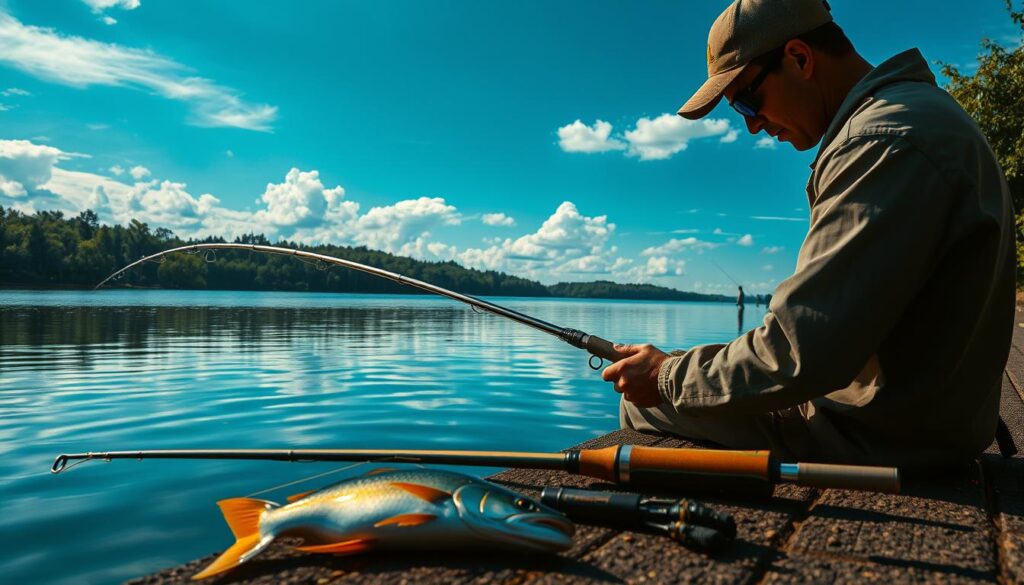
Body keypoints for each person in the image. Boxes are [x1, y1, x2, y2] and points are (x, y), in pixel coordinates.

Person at [602, 0, 1015, 467]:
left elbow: (798, 351)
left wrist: (666, 378)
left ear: (799, 58)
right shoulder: (917, 114)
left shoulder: (878, 142)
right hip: (926, 420)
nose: (752, 124)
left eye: (745, 100)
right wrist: (675, 368)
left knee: (642, 400)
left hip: (884, 433)